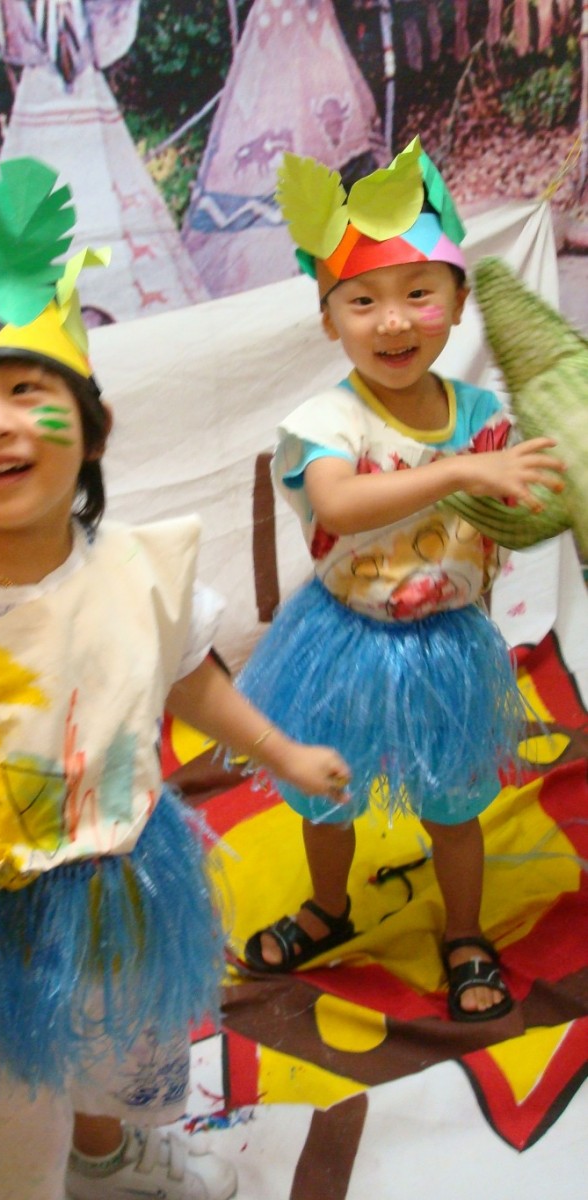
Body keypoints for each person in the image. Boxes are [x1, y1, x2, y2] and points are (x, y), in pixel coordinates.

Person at [0, 158, 350, 1200]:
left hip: (132, 882)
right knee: (8, 1121)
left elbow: (188, 679)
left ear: (93, 431)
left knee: (122, 1052)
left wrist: (279, 750)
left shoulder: (138, 569)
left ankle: (108, 1154)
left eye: (26, 391)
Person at [237, 137, 566, 1023]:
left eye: (419, 292)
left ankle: (464, 933)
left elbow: (534, 497)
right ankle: (327, 907)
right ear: (328, 317)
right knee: (326, 795)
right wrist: (463, 470)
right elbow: (340, 503)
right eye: (363, 300)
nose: (392, 321)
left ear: (457, 302)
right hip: (342, 642)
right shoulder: (324, 421)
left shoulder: (486, 415)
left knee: (455, 808)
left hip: (449, 646)